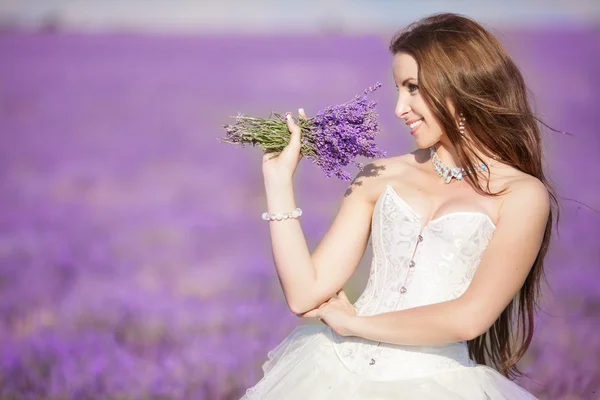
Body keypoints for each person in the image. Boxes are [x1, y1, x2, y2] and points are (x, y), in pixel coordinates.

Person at [243, 12, 557, 400]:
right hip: (330, 373)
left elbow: (469, 318)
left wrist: (354, 325)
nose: (399, 108)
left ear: (459, 84)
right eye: (398, 88)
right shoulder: (378, 175)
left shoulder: (522, 195)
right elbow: (304, 294)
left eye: (412, 88)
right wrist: (278, 182)